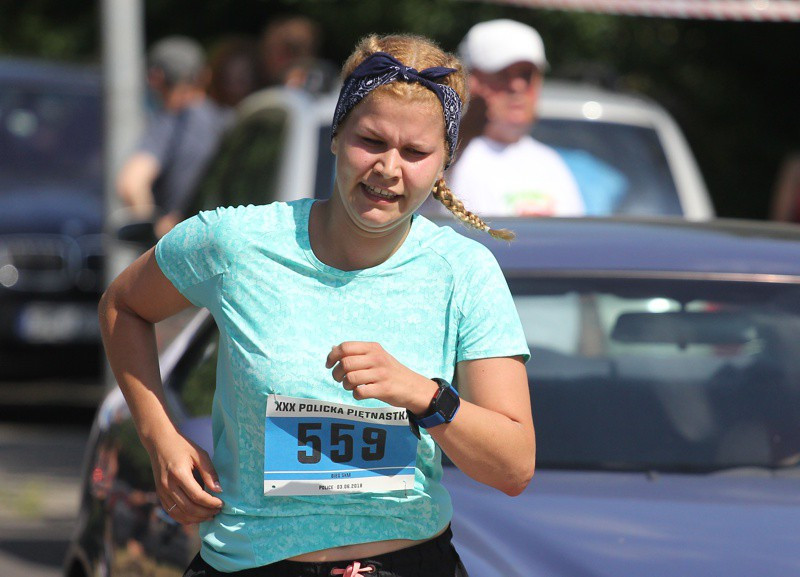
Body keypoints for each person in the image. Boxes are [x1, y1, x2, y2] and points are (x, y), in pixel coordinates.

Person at [99, 32, 534, 577]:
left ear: (445, 162)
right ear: (336, 135)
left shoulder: (464, 272)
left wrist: (421, 395)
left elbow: (513, 466)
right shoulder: (237, 243)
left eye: (415, 152)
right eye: (371, 141)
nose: (388, 168)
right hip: (251, 564)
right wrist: (160, 438)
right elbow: (122, 307)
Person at [447, 19, 584, 217]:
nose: (517, 86)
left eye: (526, 75)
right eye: (502, 74)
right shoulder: (441, 155)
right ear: (470, 80)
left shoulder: (550, 164)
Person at [116, 36, 233, 239]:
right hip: (227, 239)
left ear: (155, 77)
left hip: (184, 245)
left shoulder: (170, 123)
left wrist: (157, 235)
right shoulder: (228, 121)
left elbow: (131, 183)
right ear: (205, 76)